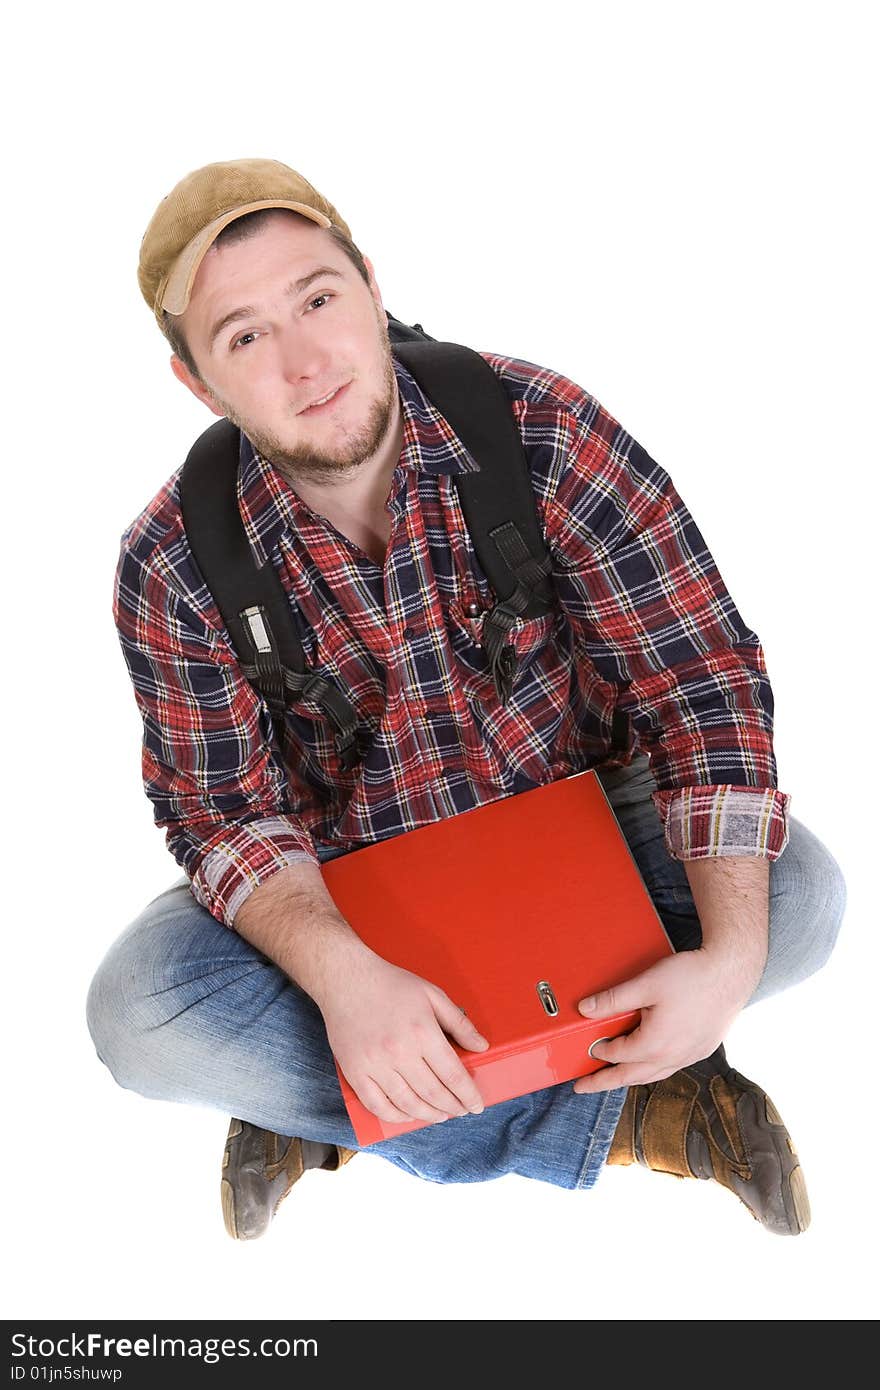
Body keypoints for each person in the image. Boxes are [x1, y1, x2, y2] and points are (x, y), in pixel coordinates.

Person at [86, 158, 846, 1242]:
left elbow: (700, 684)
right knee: (142, 1018)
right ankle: (640, 1109)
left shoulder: (539, 427)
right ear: (198, 383)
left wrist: (726, 960)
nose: (305, 362)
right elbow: (225, 817)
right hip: (349, 892)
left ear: (370, 286)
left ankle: (329, 1104)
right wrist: (344, 984)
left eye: (317, 298)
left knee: (799, 900)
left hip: (578, 827)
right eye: (245, 337)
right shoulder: (172, 559)